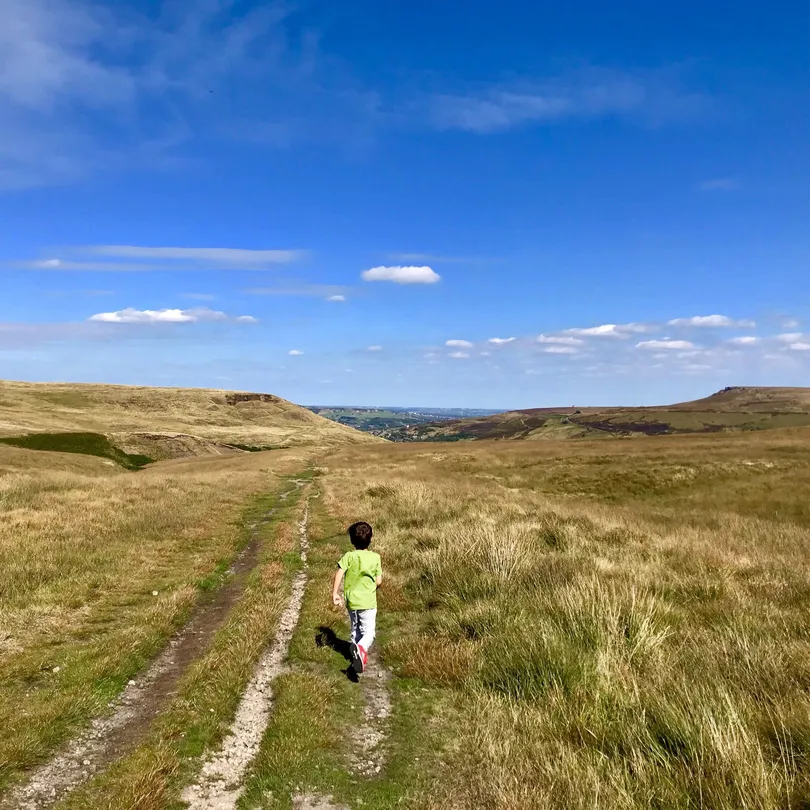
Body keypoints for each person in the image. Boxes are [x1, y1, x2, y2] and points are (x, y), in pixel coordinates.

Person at [332, 521, 382, 674]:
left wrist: (335, 593)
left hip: (352, 601)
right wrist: (373, 587)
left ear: (352, 541)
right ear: (371, 539)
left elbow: (339, 572)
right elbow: (379, 581)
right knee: (369, 633)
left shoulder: (349, 556)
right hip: (368, 602)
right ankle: (361, 649)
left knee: (355, 628)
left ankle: (355, 655)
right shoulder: (375, 557)